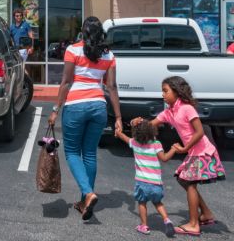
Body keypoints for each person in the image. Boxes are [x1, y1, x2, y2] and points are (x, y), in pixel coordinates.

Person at [48, 16, 123, 221]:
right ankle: (84, 201)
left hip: (75, 106)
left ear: (83, 31)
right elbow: (111, 87)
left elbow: (66, 82)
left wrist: (55, 110)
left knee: (72, 152)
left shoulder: (73, 50)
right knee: (89, 154)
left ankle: (88, 193)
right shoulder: (108, 55)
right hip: (98, 107)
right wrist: (118, 117)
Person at [131, 76, 226, 236]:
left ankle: (194, 224)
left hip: (202, 151)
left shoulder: (187, 108)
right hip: (194, 152)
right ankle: (206, 213)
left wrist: (184, 148)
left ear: (177, 91)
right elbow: (150, 125)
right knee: (184, 180)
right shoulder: (169, 112)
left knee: (189, 183)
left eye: (166, 91)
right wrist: (136, 122)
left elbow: (200, 132)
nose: (163, 94)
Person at [115, 121, 176, 236]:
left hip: (142, 182)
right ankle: (167, 220)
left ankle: (144, 225)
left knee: (142, 203)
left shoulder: (135, 142)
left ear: (136, 133)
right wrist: (173, 149)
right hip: (156, 183)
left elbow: (124, 137)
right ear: (152, 131)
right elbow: (164, 158)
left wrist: (118, 132)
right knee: (158, 203)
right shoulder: (156, 144)